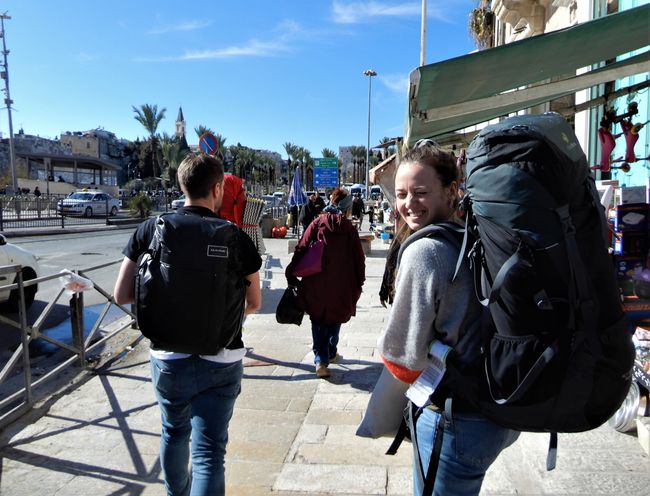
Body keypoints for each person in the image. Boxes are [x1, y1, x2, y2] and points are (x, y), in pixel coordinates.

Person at [113, 153, 262, 496]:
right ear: (217, 188)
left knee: (173, 433)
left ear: (182, 185)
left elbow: (123, 294)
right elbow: (253, 303)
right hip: (221, 358)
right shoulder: (234, 236)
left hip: (167, 357)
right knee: (210, 453)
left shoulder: (151, 228)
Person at [376, 143, 519, 496]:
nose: (409, 203)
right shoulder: (475, 236)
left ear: (452, 190)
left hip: (456, 421)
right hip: (500, 412)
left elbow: (401, 356)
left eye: (421, 192)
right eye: (401, 194)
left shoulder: (426, 251)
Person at [286, 188, 365, 378]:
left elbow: (301, 248)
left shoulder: (316, 224)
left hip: (316, 282)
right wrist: (359, 280)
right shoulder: (350, 230)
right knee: (335, 317)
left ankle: (321, 360)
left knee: (318, 318)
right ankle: (330, 350)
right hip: (342, 285)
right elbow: (358, 258)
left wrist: (291, 272)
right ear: (347, 210)